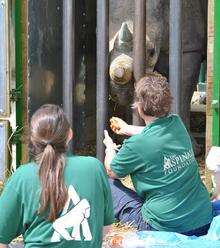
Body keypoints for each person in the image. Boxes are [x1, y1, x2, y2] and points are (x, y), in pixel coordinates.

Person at [104, 73, 213, 236]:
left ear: (139, 106)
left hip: (163, 227)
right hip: (203, 219)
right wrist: (127, 129)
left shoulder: (135, 146)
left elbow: (112, 171)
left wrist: (109, 149)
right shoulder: (177, 123)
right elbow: (156, 133)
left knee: (107, 184)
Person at [0, 104, 114, 248]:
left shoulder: (22, 176)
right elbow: (106, 228)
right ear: (70, 134)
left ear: (33, 139)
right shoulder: (95, 167)